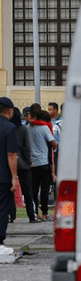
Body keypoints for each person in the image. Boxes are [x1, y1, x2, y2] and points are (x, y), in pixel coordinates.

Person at [28, 109, 57, 221]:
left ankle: (35, 212)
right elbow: (53, 143)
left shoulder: (28, 128)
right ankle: (45, 213)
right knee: (44, 189)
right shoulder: (45, 128)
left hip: (32, 163)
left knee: (34, 190)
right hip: (44, 162)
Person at [0, 97, 19, 256]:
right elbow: (11, 154)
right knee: (1, 208)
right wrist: (14, 176)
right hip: (2, 175)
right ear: (9, 110)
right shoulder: (9, 128)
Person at [13, 108, 37, 224]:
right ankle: (31, 216)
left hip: (10, 164)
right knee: (28, 191)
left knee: (10, 190)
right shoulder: (22, 129)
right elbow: (26, 147)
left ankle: (11, 215)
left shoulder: (7, 128)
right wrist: (29, 161)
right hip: (23, 164)